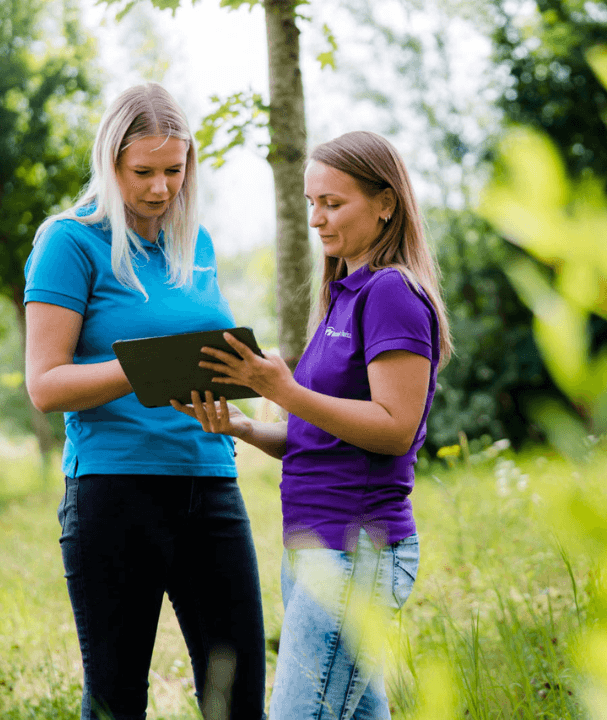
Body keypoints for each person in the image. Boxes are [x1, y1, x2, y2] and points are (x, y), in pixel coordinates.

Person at [171, 130, 453, 719]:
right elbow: (322, 439)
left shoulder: (392, 293)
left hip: (356, 551)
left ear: (385, 203)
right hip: (314, 550)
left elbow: (395, 428)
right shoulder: (344, 297)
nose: (318, 219)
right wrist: (248, 427)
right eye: (311, 204)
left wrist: (287, 390)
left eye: (334, 203)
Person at [23, 83, 266, 720]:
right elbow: (45, 384)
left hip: (211, 483)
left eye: (174, 170)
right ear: (110, 163)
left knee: (237, 693)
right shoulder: (69, 242)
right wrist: (145, 369)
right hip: (115, 491)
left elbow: (213, 350)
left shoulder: (199, 245)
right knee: (117, 698)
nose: (160, 188)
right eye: (143, 172)